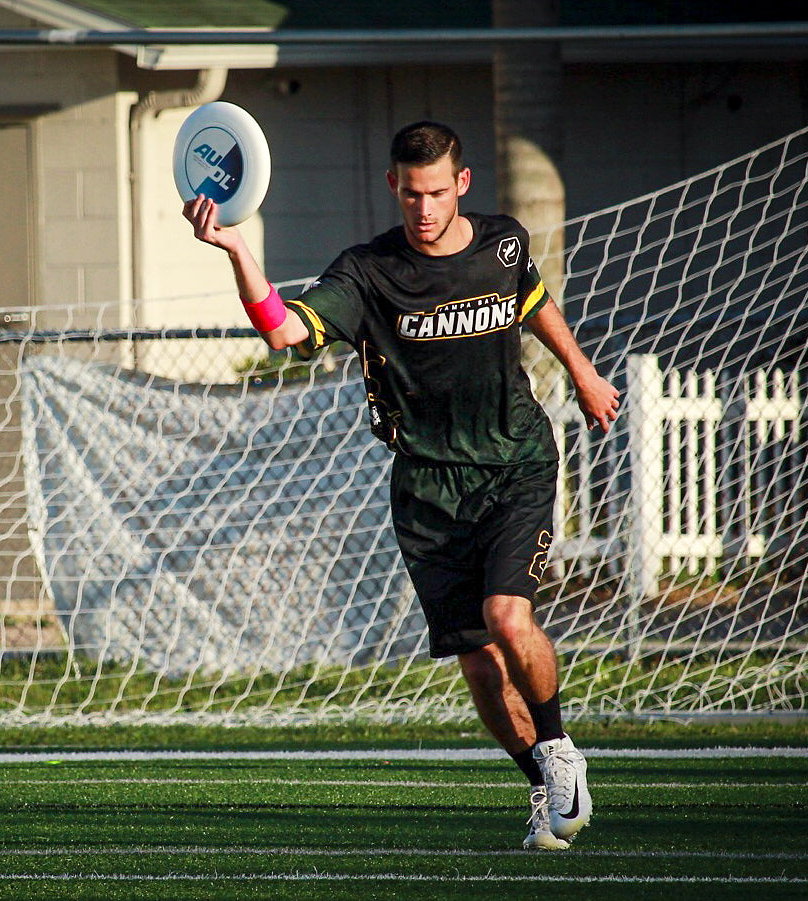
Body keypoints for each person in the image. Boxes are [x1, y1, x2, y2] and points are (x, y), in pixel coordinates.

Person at [182, 120, 620, 850]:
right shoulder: (366, 273)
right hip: (426, 489)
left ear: (462, 186)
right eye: (410, 193)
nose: (423, 208)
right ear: (393, 186)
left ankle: (558, 746)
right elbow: (284, 334)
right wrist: (235, 249)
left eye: (436, 193)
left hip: (514, 463)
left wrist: (581, 371)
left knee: (508, 617)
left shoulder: (501, 243)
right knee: (479, 663)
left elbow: (533, 300)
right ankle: (542, 781)